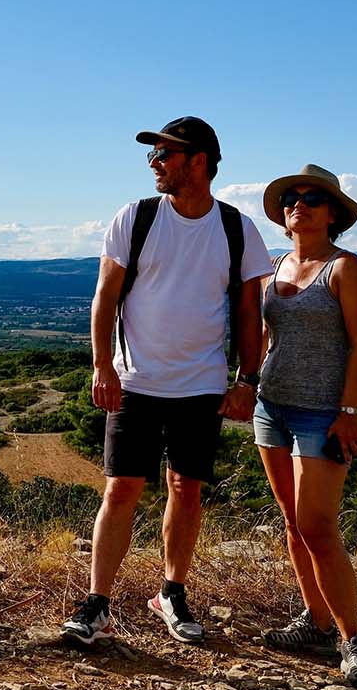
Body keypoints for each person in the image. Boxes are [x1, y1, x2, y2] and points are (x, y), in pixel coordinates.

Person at [63, 117, 272, 646]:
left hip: (201, 384)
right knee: (121, 488)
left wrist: (248, 379)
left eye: (164, 154)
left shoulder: (235, 227)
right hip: (135, 380)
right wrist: (102, 364)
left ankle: (171, 593)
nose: (153, 163)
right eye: (153, 154)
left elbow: (251, 313)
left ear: (198, 161)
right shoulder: (135, 218)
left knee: (186, 488)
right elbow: (105, 296)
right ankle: (98, 603)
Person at [252, 164, 357, 685]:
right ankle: (316, 621)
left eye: (311, 197)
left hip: (322, 413)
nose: (297, 204)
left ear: (332, 214)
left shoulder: (344, 268)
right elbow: (264, 339)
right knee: (291, 521)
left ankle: (355, 641)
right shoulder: (275, 268)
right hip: (272, 407)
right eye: (290, 198)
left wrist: (349, 411)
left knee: (318, 526)